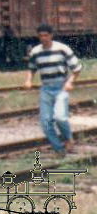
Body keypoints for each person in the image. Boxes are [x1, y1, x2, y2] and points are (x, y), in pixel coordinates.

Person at [23, 23, 82, 157]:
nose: (43, 38)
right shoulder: (36, 52)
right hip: (46, 88)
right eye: (41, 36)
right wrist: (29, 80)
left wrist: (70, 82)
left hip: (61, 87)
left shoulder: (62, 49)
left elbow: (77, 68)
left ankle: (68, 139)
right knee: (45, 122)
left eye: (46, 35)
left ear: (51, 35)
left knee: (60, 117)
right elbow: (32, 68)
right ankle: (59, 149)